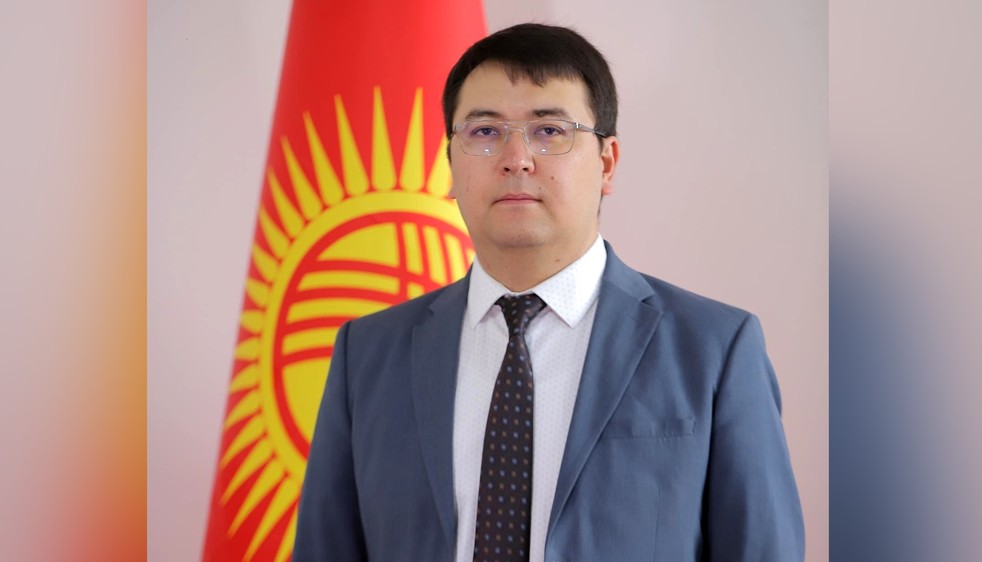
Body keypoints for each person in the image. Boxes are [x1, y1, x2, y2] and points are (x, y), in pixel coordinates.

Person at [293, 23, 804, 562]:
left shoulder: (714, 350)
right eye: (485, 131)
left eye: (550, 131)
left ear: (606, 163)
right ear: (450, 164)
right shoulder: (367, 354)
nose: (516, 158)